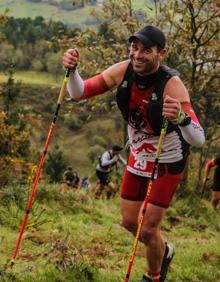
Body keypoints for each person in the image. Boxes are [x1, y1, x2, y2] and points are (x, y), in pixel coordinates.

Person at [63, 25, 205, 282]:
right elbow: (79, 92)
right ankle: (165, 251)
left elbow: (199, 139)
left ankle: (153, 276)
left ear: (161, 53)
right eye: (134, 48)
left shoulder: (171, 85)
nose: (138, 55)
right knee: (129, 222)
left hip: (166, 163)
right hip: (138, 159)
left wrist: (182, 118)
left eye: (146, 50)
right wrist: (72, 71)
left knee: (149, 228)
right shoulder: (122, 70)